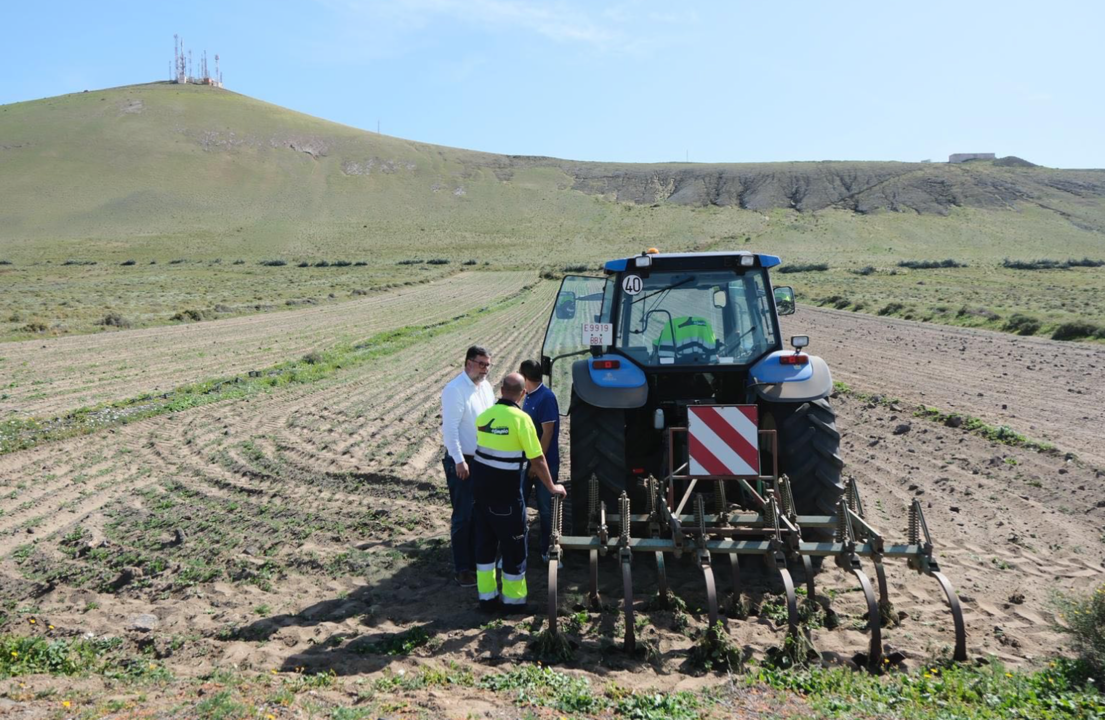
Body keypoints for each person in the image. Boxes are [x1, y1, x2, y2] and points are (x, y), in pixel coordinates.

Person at [471, 373, 566, 613]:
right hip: (506, 496)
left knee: (485, 547)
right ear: (523, 394)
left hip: (481, 494)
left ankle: (487, 599)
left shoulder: (484, 417)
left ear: (501, 390)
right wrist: (552, 487)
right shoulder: (521, 420)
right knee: (514, 548)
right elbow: (537, 459)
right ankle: (513, 604)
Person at [441, 345, 495, 588]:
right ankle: (462, 568)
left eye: (488, 365)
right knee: (463, 516)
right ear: (468, 362)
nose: (485, 369)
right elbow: (450, 429)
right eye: (481, 364)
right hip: (463, 461)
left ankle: (477, 562)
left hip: (482, 460)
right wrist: (459, 460)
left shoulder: (485, 388)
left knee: (479, 514)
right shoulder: (455, 389)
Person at [519, 359, 560, 563]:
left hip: (544, 463)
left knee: (545, 508)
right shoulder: (527, 397)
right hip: (527, 463)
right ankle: (518, 549)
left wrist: (537, 464)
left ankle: (547, 550)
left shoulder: (546, 397)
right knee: (520, 505)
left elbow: (548, 433)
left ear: (525, 377)